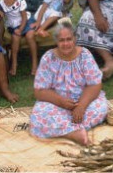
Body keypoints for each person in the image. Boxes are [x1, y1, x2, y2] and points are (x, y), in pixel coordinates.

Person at [30, 17, 107, 146]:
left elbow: (95, 84)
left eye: (69, 39)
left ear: (74, 39)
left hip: (83, 101)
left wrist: (81, 107)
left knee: (101, 108)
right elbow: (39, 91)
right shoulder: (48, 58)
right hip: (57, 103)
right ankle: (74, 133)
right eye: (61, 40)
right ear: (56, 41)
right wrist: (61, 101)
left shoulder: (85, 55)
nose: (66, 44)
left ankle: (62, 129)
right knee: (38, 116)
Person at [0, 0, 37, 76]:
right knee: (15, 38)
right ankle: (14, 63)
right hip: (13, 25)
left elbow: (24, 18)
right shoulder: (0, 3)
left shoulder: (20, 4)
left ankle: (34, 64)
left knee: (30, 36)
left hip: (25, 22)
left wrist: (21, 29)